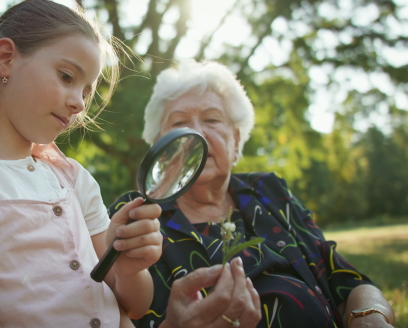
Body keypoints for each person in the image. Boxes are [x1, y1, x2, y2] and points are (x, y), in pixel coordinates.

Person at [0, 0, 162, 327]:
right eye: (67, 77)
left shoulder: (73, 179)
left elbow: (136, 305)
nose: (79, 104)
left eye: (85, 92)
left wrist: (129, 268)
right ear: (5, 58)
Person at [108, 59, 395, 328]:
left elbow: (347, 279)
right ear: (161, 148)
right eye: (179, 123)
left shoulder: (269, 190)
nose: (197, 135)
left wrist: (368, 317)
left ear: (235, 141)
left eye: (211, 119)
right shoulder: (137, 212)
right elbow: (114, 314)